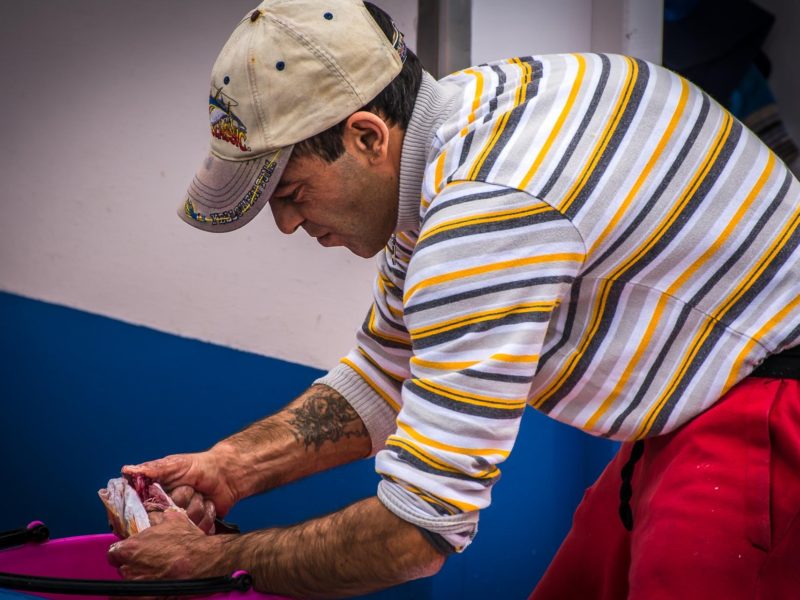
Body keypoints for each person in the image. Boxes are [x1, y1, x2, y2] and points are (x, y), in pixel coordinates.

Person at [107, 0, 800, 597]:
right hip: (705, 400)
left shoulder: (485, 212)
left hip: (769, 414)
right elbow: (388, 375)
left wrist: (213, 562)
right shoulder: (467, 132)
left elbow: (419, 530)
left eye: (291, 194)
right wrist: (230, 467)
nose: (288, 224)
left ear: (367, 136)